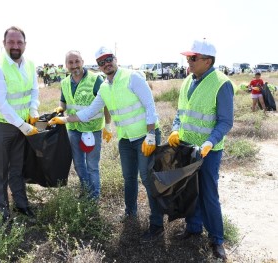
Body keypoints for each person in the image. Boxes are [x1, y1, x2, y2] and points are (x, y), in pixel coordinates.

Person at [49, 47, 164, 242]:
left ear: (115, 59)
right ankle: (130, 213)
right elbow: (90, 112)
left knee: (147, 179)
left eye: (108, 59)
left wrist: (151, 135)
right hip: (126, 139)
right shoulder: (104, 87)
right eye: (101, 62)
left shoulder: (132, 77)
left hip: (145, 138)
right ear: (99, 65)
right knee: (128, 178)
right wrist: (65, 120)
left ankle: (157, 224)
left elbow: (150, 106)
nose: (106, 64)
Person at [168, 39, 234, 261]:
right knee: (190, 190)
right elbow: (181, 113)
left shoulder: (221, 83)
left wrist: (210, 142)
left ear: (208, 61)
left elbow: (225, 121)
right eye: (188, 57)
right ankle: (193, 227)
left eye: (193, 58)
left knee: (208, 194)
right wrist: (175, 129)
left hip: (209, 150)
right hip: (186, 146)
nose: (188, 61)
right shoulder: (188, 80)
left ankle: (217, 240)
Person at [0, 26, 40, 224]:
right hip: (1, 126)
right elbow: (0, 103)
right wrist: (22, 125)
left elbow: (34, 90)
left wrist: (33, 110)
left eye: (19, 42)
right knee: (0, 170)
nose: (15, 46)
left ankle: (21, 204)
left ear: (25, 44)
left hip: (22, 123)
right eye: (11, 42)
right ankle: (2, 211)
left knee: (17, 167)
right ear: (4, 43)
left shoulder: (31, 64)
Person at [55, 50, 111, 200]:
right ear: (66, 65)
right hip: (73, 130)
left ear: (82, 62)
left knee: (92, 165)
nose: (74, 65)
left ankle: (94, 197)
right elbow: (64, 102)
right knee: (79, 165)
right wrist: (60, 109)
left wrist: (107, 126)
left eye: (77, 61)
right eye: (71, 62)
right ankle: (86, 190)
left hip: (92, 130)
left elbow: (106, 104)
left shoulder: (96, 80)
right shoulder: (64, 82)